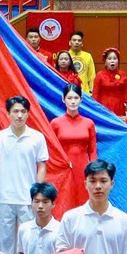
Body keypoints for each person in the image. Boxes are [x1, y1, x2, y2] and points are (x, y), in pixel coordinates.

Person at [0, 97, 49, 254]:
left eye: (23, 112)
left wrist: (38, 194)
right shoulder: (0, 136)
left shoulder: (37, 137)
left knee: (29, 241)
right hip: (5, 198)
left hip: (27, 198)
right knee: (3, 244)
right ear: (8, 114)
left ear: (28, 114)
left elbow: (42, 165)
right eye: (15, 111)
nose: (19, 115)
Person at [48, 85, 97, 220]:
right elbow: (52, 151)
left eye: (76, 98)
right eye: (70, 98)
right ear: (63, 99)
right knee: (64, 204)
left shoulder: (89, 123)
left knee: (84, 204)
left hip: (83, 169)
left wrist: (93, 171)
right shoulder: (56, 123)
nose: (73, 101)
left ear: (81, 99)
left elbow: (92, 151)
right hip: (64, 170)